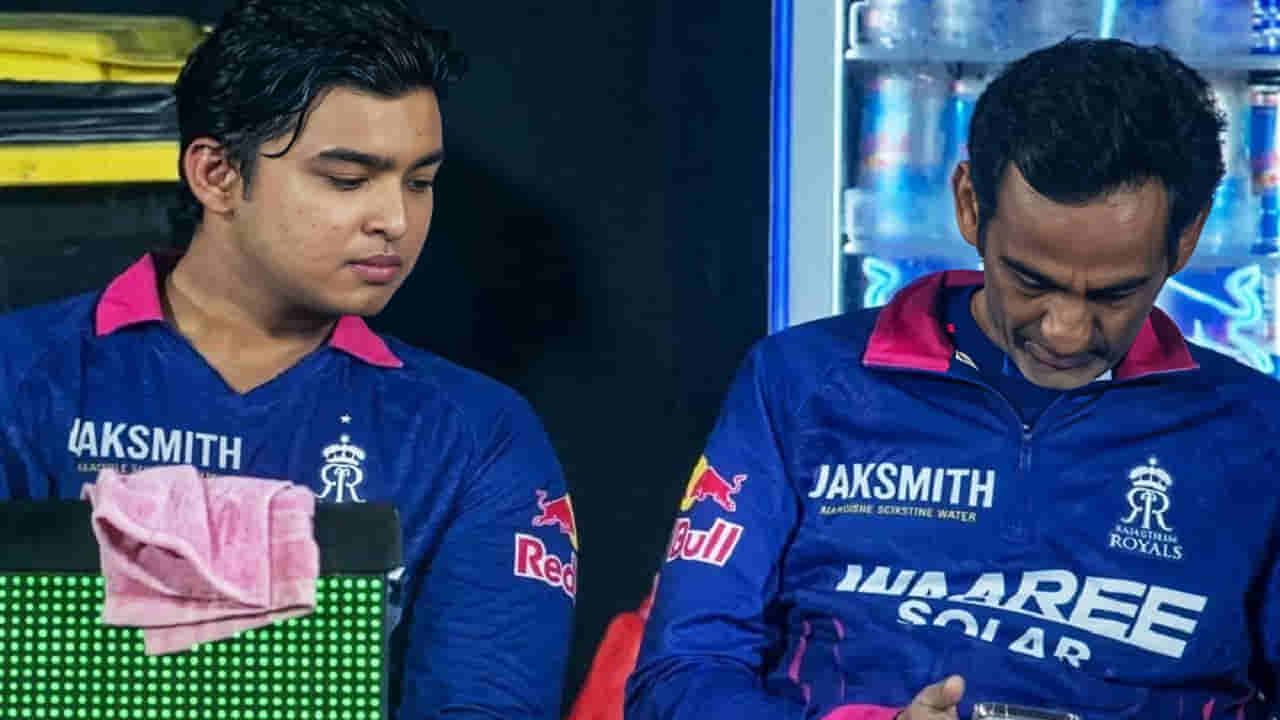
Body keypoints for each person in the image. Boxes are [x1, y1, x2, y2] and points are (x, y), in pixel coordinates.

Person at [627, 38, 1280, 720]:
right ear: (969, 204)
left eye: (1115, 293)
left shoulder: (1259, 434)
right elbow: (678, 679)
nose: (1064, 330)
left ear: (1188, 237)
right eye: (1030, 280)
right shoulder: (802, 385)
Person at [0, 1, 577, 717]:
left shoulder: (476, 436)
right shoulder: (19, 379)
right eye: (347, 179)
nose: (395, 220)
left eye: (419, 182)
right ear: (216, 174)